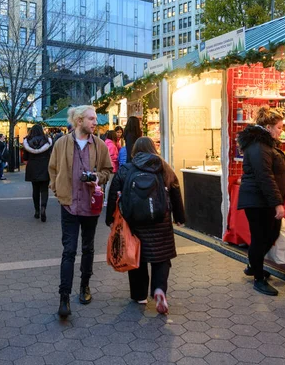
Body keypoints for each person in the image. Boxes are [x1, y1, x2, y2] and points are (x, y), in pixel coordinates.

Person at [105, 137, 185, 314]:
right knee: (162, 259)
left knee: (136, 258)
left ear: (135, 151)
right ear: (153, 149)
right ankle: (159, 290)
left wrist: (110, 218)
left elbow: (112, 193)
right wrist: (180, 217)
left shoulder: (126, 169)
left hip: (134, 222)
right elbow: (175, 191)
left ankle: (139, 295)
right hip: (161, 223)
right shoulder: (164, 167)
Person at [48, 105, 113, 318]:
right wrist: (57, 190)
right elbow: (53, 169)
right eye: (91, 119)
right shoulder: (61, 143)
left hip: (90, 205)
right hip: (69, 205)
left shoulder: (100, 145)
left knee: (88, 247)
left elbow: (107, 170)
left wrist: (98, 178)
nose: (95, 122)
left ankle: (85, 286)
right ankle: (63, 296)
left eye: (95, 119)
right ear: (79, 121)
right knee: (68, 250)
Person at [237, 107, 285, 296]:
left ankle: (253, 264)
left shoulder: (265, 144)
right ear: (268, 127)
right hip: (258, 201)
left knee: (271, 235)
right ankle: (258, 277)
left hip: (263, 200)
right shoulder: (259, 146)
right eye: (279, 128)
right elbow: (265, 176)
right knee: (261, 237)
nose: (280, 131)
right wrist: (277, 203)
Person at [23, 124, 53, 222]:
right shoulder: (47, 140)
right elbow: (51, 154)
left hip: (33, 166)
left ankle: (37, 210)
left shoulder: (27, 141)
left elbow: (25, 157)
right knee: (44, 190)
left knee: (35, 190)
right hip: (44, 166)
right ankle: (43, 208)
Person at [103, 130, 119, 206]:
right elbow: (113, 157)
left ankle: (106, 199)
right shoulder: (112, 145)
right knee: (109, 184)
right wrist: (117, 158)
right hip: (112, 167)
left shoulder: (106, 143)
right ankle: (106, 200)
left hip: (108, 166)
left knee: (108, 184)